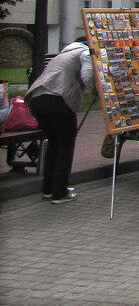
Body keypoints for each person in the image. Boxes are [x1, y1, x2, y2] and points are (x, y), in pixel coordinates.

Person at [25, 38, 93, 203]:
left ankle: (49, 189)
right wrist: (96, 89)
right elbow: (88, 75)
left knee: (54, 144)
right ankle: (60, 192)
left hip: (37, 100)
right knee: (65, 145)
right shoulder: (85, 52)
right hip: (57, 99)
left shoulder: (64, 55)